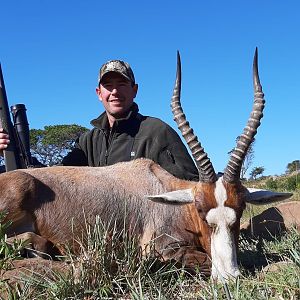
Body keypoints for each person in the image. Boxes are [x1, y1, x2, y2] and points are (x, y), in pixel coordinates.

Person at [0, 60, 199, 181]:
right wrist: (13, 151)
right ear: (98, 93)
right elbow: (55, 179)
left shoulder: (157, 131)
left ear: (135, 90)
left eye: (122, 84)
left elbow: (189, 184)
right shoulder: (87, 141)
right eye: (108, 85)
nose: (114, 92)